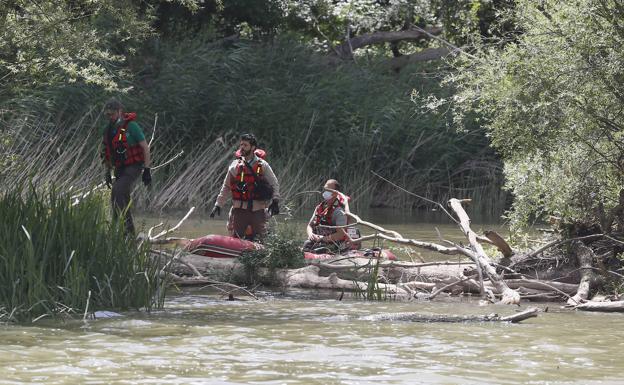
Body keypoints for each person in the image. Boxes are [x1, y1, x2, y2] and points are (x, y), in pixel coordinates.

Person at [210, 133, 280, 240]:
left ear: (253, 147)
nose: (242, 147)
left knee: (261, 238)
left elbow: (274, 183)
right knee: (236, 238)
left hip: (258, 210)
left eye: (245, 145)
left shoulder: (263, 165)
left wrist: (275, 200)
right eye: (241, 144)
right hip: (240, 210)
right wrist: (218, 204)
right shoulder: (234, 165)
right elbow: (226, 186)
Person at [101, 98, 152, 234]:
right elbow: (108, 153)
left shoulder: (131, 126)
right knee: (119, 197)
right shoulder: (108, 130)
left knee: (117, 191)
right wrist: (107, 172)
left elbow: (145, 148)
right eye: (107, 114)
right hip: (120, 169)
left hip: (134, 166)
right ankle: (126, 234)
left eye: (112, 114)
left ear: (120, 111)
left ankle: (125, 232)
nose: (110, 117)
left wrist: (147, 170)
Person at [303, 179, 354, 253]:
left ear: (335, 193)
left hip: (335, 243)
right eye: (325, 189)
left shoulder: (340, 212)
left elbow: (340, 234)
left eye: (328, 190)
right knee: (306, 244)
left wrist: (323, 238)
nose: (325, 192)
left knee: (319, 250)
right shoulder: (319, 207)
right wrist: (311, 234)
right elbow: (309, 226)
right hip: (319, 240)